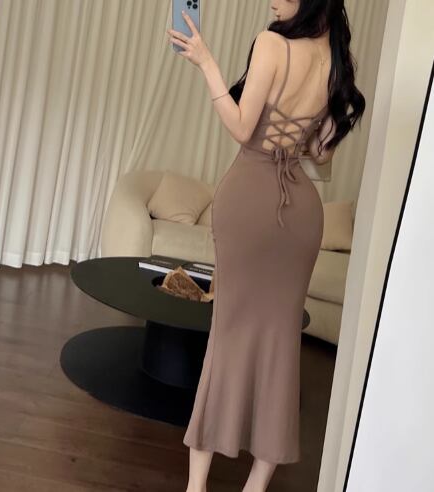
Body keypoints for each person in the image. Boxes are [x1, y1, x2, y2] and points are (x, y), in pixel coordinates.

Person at [167, 0, 365, 490]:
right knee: (281, 346)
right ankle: (255, 486)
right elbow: (320, 155)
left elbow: (241, 127)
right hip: (302, 211)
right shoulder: (335, 62)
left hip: (250, 200)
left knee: (227, 335)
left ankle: (196, 486)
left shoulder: (272, 44)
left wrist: (207, 63)